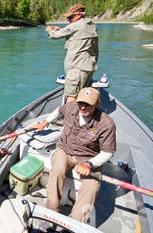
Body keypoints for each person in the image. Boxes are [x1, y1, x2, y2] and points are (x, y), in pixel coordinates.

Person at [30, 87, 116, 223]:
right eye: (81, 103)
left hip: (89, 157)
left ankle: (74, 225)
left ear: (97, 104)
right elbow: (58, 111)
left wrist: (89, 164)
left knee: (92, 187)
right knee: (57, 169)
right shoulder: (71, 107)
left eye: (88, 104)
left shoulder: (106, 124)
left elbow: (108, 152)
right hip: (65, 150)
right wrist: (45, 122)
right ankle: (51, 213)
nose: (83, 107)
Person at [46, 4, 99, 103]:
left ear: (79, 15)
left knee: (71, 98)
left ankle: (70, 118)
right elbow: (76, 35)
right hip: (88, 68)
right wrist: (62, 29)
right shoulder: (90, 24)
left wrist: (50, 31)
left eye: (70, 17)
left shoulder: (74, 26)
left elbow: (54, 36)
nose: (68, 20)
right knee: (83, 96)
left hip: (77, 69)